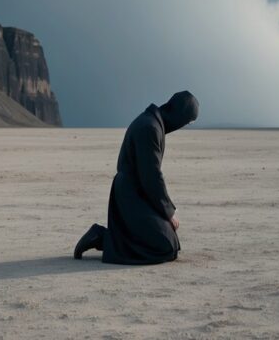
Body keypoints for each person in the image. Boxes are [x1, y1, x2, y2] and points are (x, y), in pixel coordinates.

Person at [73, 90, 200, 264]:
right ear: (179, 115)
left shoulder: (153, 123)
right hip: (131, 194)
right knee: (165, 246)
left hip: (138, 191)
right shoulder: (150, 127)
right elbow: (151, 176)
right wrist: (169, 212)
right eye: (186, 122)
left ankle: (109, 238)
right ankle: (102, 238)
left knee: (172, 243)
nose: (182, 126)